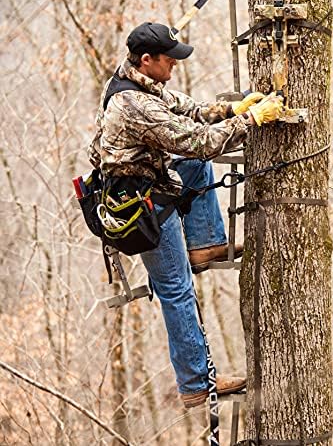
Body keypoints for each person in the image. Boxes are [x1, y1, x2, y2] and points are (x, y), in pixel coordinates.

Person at [88, 22, 283, 408]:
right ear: (147, 60)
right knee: (176, 290)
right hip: (139, 207)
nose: (174, 67)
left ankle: (206, 245)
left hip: (150, 182)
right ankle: (196, 381)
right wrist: (252, 120)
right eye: (169, 61)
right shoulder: (134, 105)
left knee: (191, 168)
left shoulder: (139, 83)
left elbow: (187, 110)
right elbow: (199, 142)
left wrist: (231, 108)